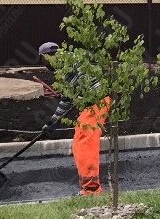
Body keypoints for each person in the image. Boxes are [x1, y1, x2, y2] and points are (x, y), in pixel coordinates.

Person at [39, 41, 111, 196]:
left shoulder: (72, 61)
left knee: (86, 141)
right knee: (78, 143)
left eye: (45, 60)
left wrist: (81, 95)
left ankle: (92, 189)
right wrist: (53, 121)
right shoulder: (62, 69)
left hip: (97, 102)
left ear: (46, 57)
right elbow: (66, 100)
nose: (46, 64)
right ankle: (86, 186)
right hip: (89, 105)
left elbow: (86, 79)